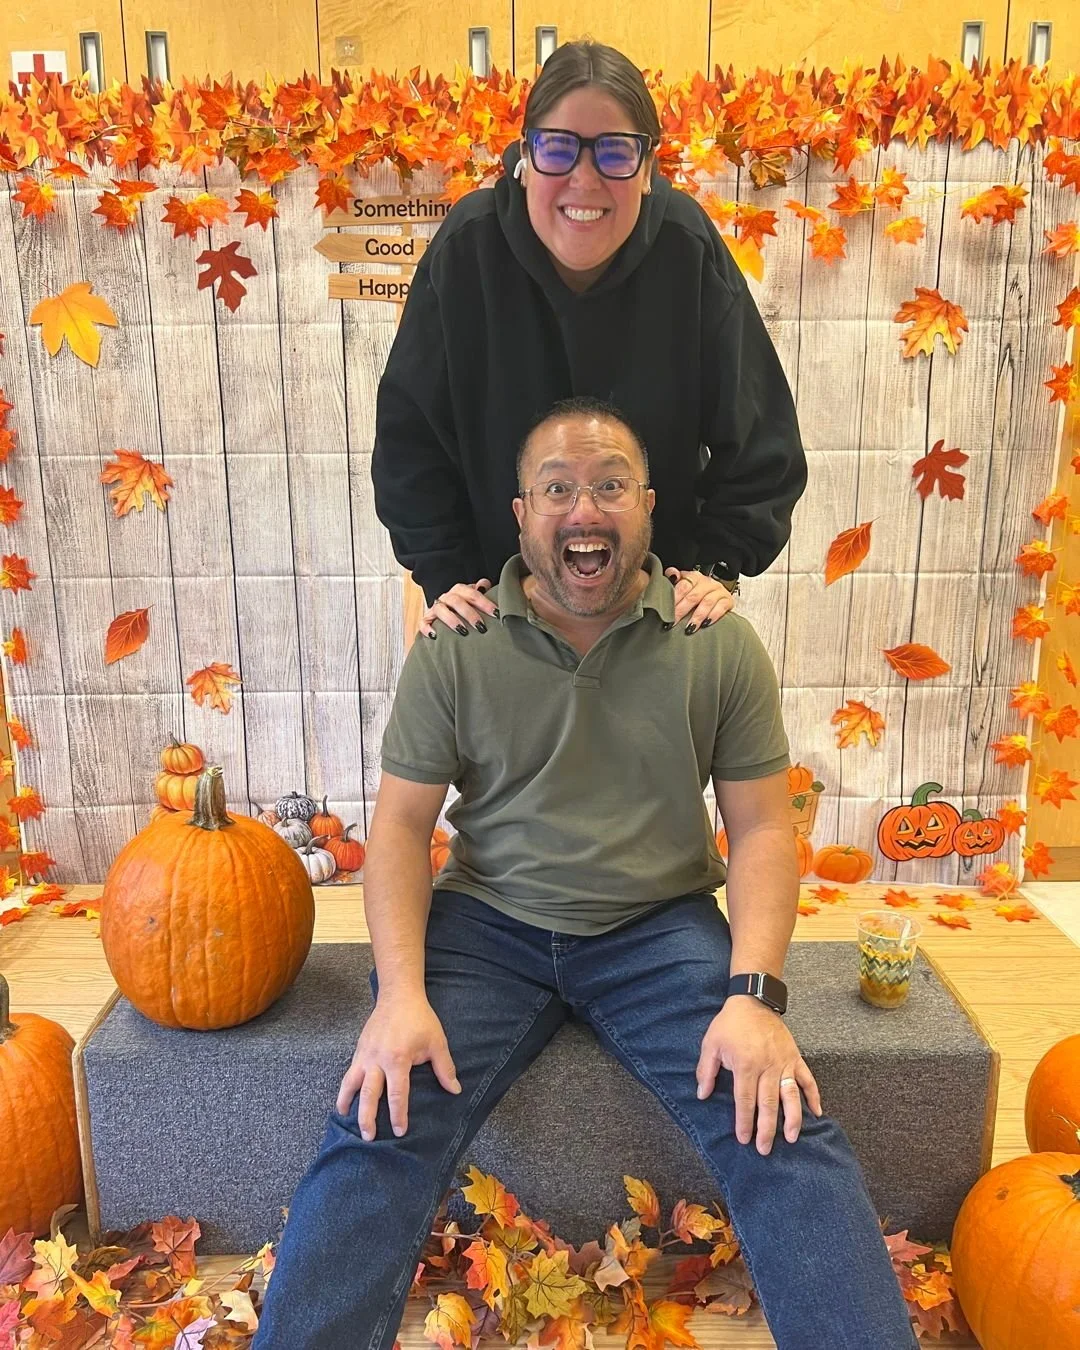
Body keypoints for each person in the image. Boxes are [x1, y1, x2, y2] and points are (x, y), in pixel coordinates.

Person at [253, 400, 917, 1350]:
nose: (584, 509)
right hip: (490, 923)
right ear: (521, 514)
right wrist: (398, 991)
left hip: (660, 927)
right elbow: (400, 829)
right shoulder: (459, 645)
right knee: (380, 1121)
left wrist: (757, 995)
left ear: (647, 507)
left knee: (778, 1121)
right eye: (557, 489)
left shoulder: (714, 642)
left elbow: (764, 827)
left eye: (609, 485)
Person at [371, 39, 807, 642]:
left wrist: (717, 566)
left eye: (614, 152)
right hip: (497, 610)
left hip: (653, 613)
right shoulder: (468, 248)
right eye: (558, 148)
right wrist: (450, 575)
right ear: (525, 156)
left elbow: (763, 440)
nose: (584, 178)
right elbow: (409, 439)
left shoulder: (686, 248)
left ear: (649, 167)